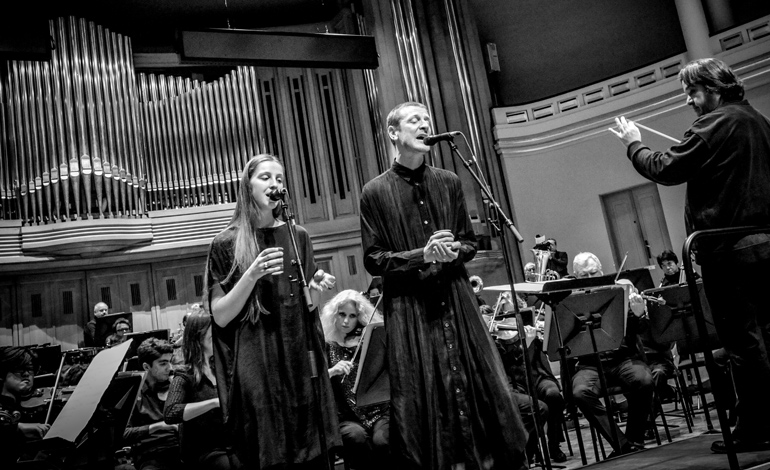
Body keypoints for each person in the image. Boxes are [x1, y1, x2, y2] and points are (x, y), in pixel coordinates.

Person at [611, 57, 770, 453]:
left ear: (714, 88)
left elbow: (665, 168)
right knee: (767, 338)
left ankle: (755, 429)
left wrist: (633, 143)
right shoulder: (758, 122)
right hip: (765, 247)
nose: (688, 100)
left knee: (743, 345)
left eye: (692, 92)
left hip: (729, 253)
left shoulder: (714, 123)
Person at [359, 101, 528, 469]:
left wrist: (454, 252)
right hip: (411, 310)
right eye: (414, 120)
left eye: (427, 120)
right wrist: (424, 255)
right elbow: (374, 259)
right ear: (393, 133)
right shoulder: (374, 192)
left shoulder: (449, 182)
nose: (424, 125)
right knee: (427, 399)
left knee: (483, 388)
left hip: (456, 298)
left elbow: (469, 242)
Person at [205, 154, 340, 468]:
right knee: (269, 451)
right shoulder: (226, 243)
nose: (275, 184)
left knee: (310, 449)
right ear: (248, 185)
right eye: (265, 177)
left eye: (280, 179)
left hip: (297, 354)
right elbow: (221, 315)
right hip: (257, 357)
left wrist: (316, 292)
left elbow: (309, 308)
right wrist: (251, 274)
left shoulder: (299, 236)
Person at [569, 252, 654, 456]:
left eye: (593, 273)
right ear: (575, 277)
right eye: (584, 276)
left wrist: (639, 313)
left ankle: (634, 438)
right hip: (590, 364)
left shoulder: (621, 291)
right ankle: (623, 444)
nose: (590, 279)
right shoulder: (569, 301)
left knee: (643, 381)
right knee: (580, 392)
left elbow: (640, 331)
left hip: (623, 358)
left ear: (601, 270)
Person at [321, 290, 390, 470]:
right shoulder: (326, 345)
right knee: (356, 437)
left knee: (382, 440)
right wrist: (332, 370)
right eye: (342, 314)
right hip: (346, 416)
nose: (346, 321)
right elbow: (314, 381)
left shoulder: (368, 340)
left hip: (377, 411)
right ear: (333, 315)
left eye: (352, 316)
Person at [164, 312, 240, 469]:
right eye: (213, 329)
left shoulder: (223, 369)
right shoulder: (185, 375)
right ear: (198, 336)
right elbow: (171, 412)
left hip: (230, 443)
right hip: (204, 450)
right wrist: (213, 403)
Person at [123, 338, 180, 470]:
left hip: (182, 448)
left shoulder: (176, 386)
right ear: (146, 367)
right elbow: (124, 433)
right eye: (163, 363)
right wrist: (159, 426)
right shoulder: (134, 394)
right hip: (152, 454)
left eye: (170, 362)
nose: (170, 368)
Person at [0, 347, 51, 468]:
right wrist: (17, 428)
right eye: (19, 369)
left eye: (30, 369)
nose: (26, 374)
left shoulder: (22, 404)